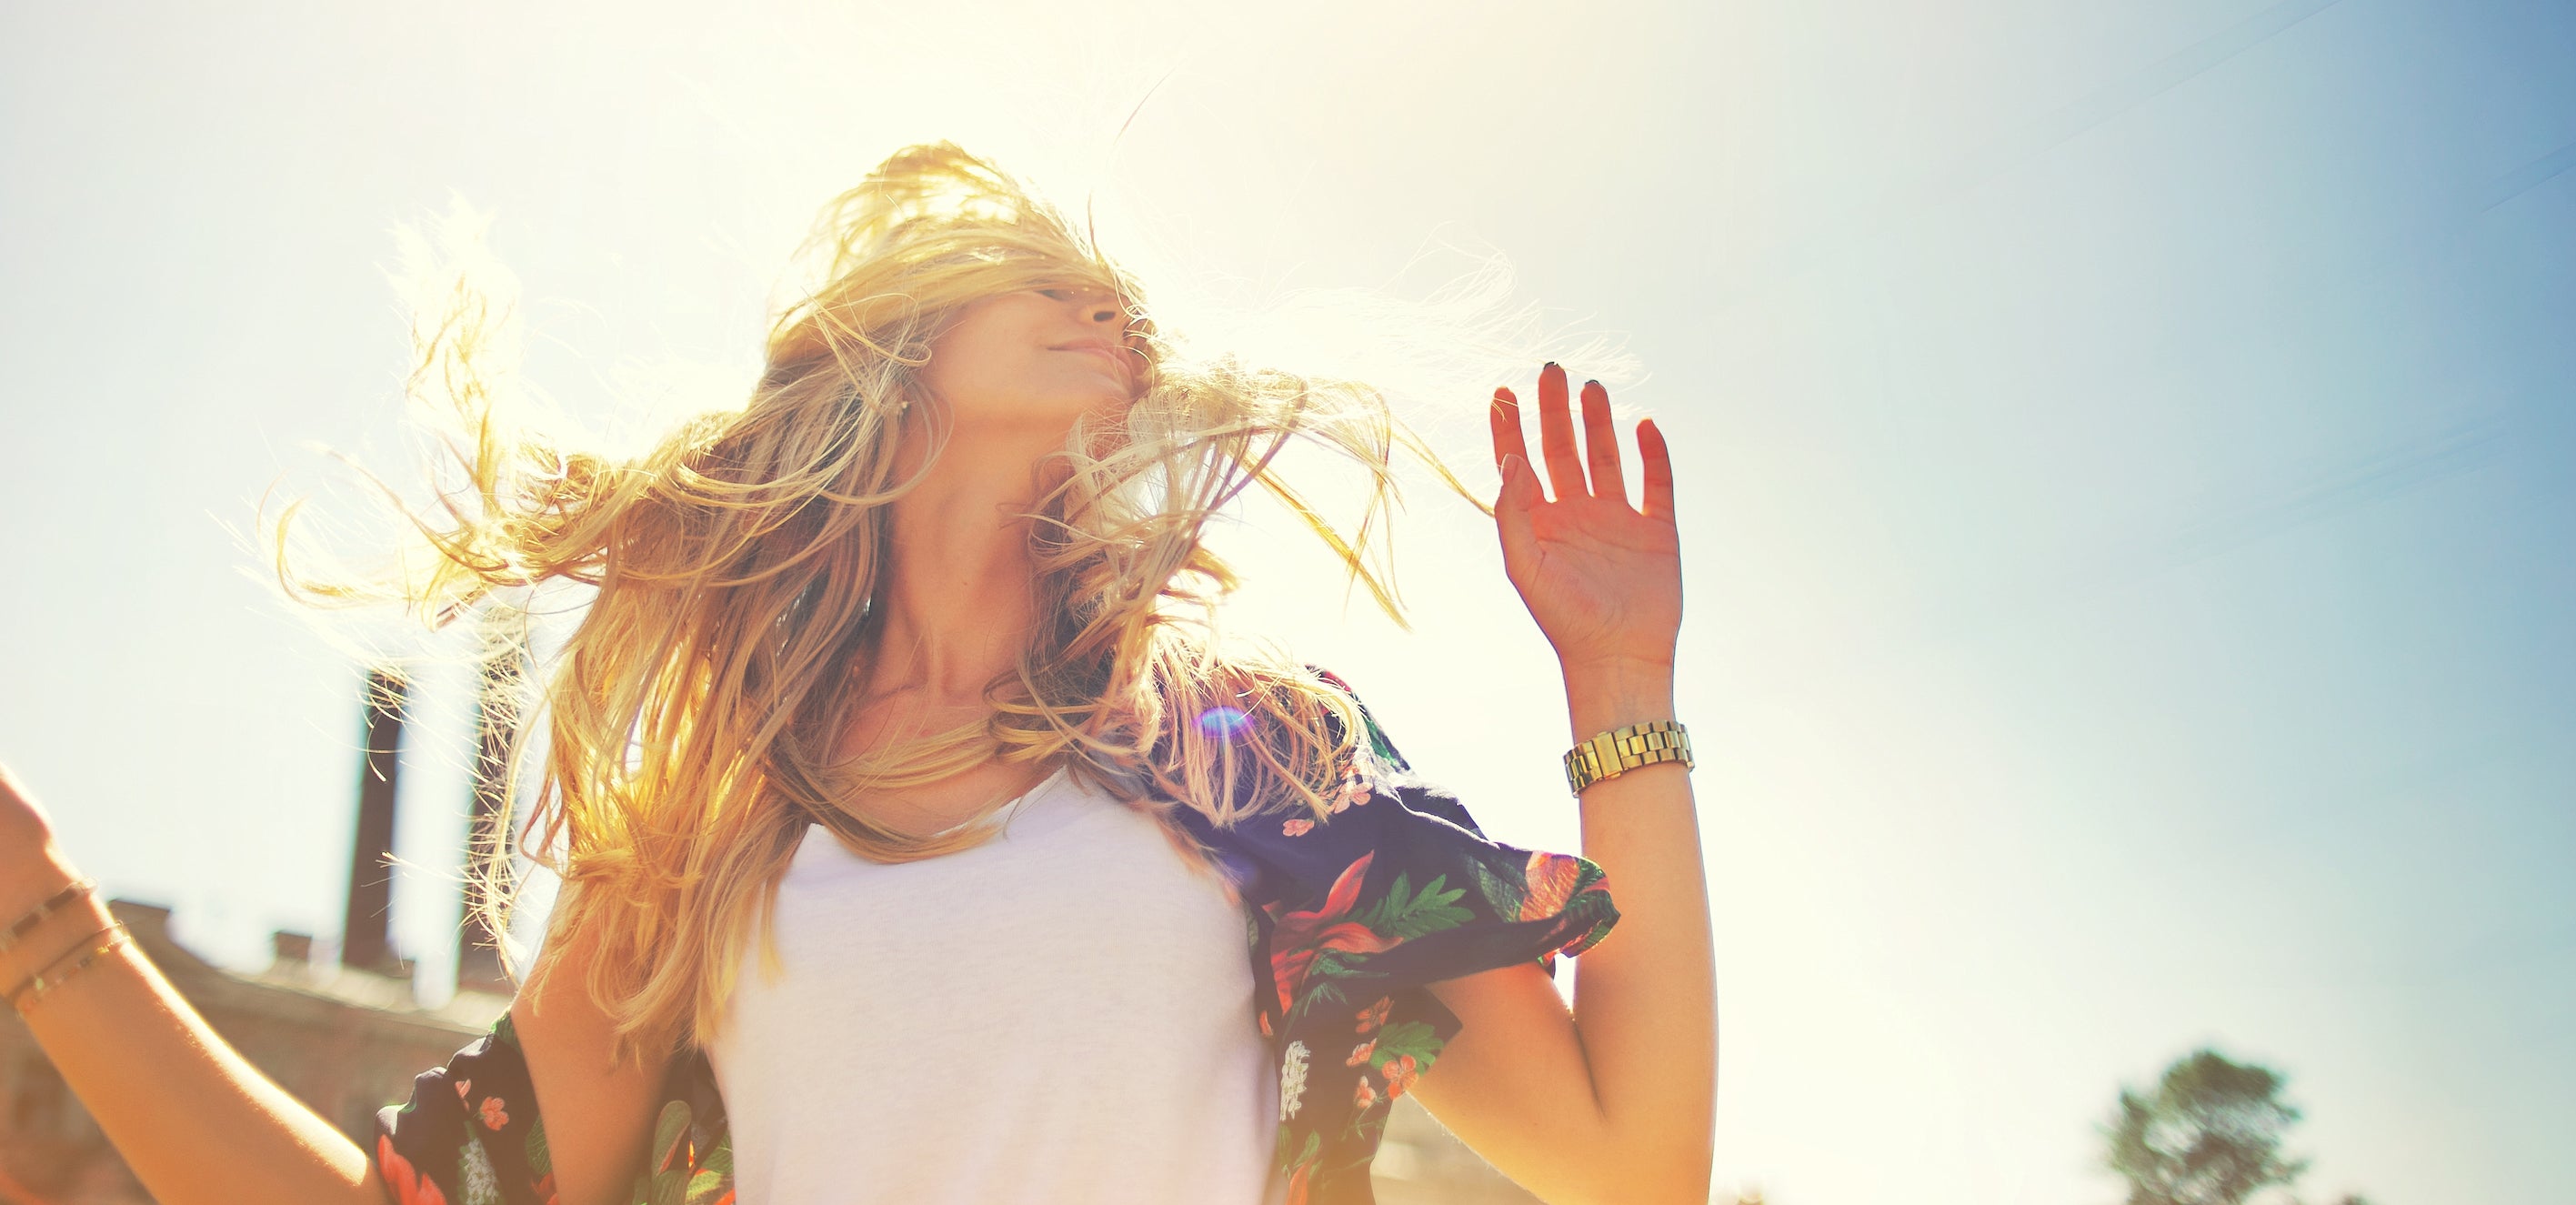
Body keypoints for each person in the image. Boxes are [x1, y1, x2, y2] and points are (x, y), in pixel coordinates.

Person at [0, 143, 1714, 1205]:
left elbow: (1637, 1170)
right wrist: (48, 926)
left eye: (1112, 292)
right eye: (1039, 273)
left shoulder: (1241, 755)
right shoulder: (707, 845)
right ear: (892, 338)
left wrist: (1619, 682)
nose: (1102, 303)